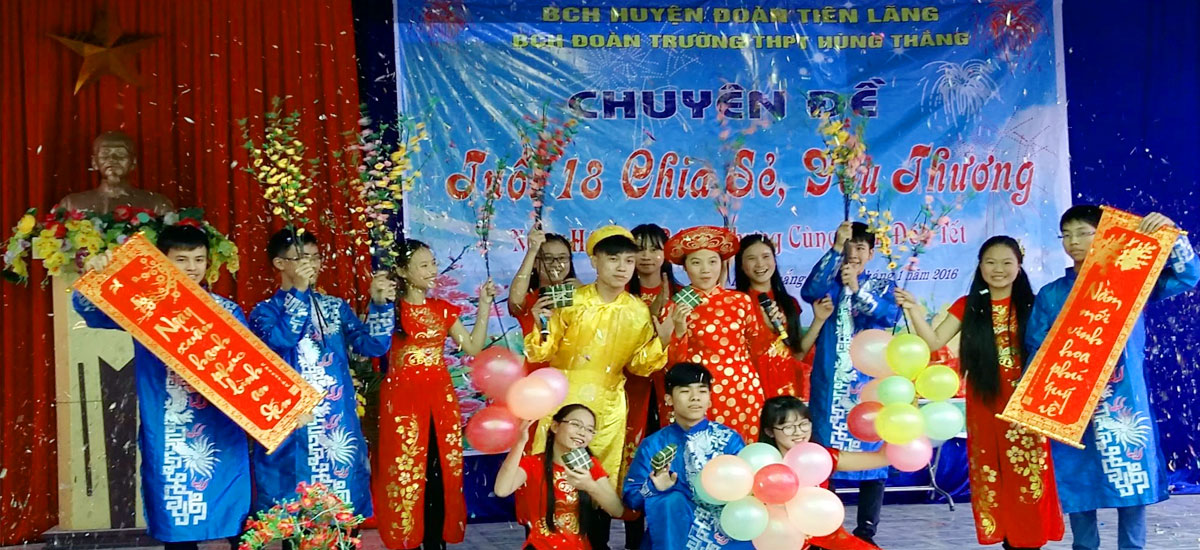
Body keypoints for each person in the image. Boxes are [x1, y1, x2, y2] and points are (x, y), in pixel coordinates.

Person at [1025, 206, 1199, 550]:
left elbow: (1187, 276)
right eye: (1066, 235)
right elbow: (1036, 347)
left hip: (1123, 400)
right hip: (1070, 401)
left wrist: (1173, 234)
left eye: (1083, 233)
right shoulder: (1052, 294)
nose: (1073, 242)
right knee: (1077, 481)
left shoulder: (1131, 280)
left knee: (1131, 480)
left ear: (1104, 235)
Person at [72, 225, 248, 550]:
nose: (192, 267)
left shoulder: (227, 310)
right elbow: (92, 310)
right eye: (181, 259)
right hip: (170, 430)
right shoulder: (146, 306)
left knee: (232, 520)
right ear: (163, 262)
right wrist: (94, 275)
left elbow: (249, 368)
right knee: (177, 527)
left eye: (199, 259)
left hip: (221, 432)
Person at [896, 236, 1064, 549]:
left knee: (1027, 471)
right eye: (990, 262)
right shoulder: (968, 305)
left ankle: (1029, 540)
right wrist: (915, 310)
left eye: (1006, 263)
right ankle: (1007, 538)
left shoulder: (1034, 304)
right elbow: (933, 342)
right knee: (991, 470)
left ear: (1019, 266)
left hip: (1024, 403)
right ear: (980, 266)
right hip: (984, 401)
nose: (998, 269)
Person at [524, 225, 671, 548]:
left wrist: (662, 340)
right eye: (613, 259)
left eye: (628, 261)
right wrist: (541, 324)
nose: (622, 268)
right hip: (563, 400)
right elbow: (542, 352)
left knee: (598, 481)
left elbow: (639, 365)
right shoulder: (569, 300)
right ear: (594, 261)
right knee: (552, 475)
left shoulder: (637, 310)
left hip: (608, 406)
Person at [249, 229, 395, 518]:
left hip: (336, 420)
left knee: (342, 510)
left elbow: (373, 345)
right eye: (303, 258)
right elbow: (282, 339)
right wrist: (299, 292)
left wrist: (380, 306)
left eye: (316, 258)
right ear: (280, 263)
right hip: (294, 422)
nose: (312, 265)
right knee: (294, 511)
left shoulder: (334, 307)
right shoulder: (264, 312)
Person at [374, 239, 496, 549]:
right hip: (402, 403)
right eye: (424, 265)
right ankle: (408, 538)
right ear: (403, 271)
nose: (432, 270)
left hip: (440, 400)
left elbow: (473, 347)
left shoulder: (441, 309)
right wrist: (378, 303)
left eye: (433, 263)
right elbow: (370, 347)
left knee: (440, 468)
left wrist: (483, 306)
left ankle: (435, 539)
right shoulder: (390, 309)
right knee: (406, 469)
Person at [799, 221, 898, 545]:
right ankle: (825, 527)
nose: (853, 252)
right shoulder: (829, 283)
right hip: (830, 386)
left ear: (871, 253)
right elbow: (809, 291)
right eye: (848, 245)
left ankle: (867, 531)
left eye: (860, 247)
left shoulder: (881, 284)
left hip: (867, 384)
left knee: (874, 452)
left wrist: (857, 288)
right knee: (826, 453)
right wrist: (834, 250)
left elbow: (888, 316)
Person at [661, 225, 784, 441]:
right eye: (696, 263)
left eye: (712, 262)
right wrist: (679, 331)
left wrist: (770, 327)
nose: (705, 270)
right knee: (701, 448)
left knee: (742, 448)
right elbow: (671, 366)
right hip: (699, 392)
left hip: (742, 387)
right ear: (685, 268)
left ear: (722, 264)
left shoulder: (741, 301)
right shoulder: (674, 307)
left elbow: (759, 348)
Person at [623, 362, 749, 550]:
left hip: (721, 531)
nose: (695, 397)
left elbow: (746, 488)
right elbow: (631, 498)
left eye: (702, 391)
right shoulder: (653, 444)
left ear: (709, 399)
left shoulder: (729, 439)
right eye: (685, 391)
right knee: (670, 501)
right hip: (674, 532)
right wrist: (654, 487)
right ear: (668, 399)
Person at [758, 395, 889, 550]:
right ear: (770, 431)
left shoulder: (823, 457)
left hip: (828, 538)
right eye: (788, 427)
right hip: (785, 541)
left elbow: (882, 458)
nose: (798, 432)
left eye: (803, 424)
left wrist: (899, 425)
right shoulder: (761, 465)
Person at [621, 224, 680, 550]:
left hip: (670, 394)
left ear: (666, 254)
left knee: (672, 463)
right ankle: (632, 541)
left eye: (654, 249)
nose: (646, 256)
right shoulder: (620, 297)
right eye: (638, 249)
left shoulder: (682, 295)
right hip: (632, 394)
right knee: (634, 465)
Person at [495, 404, 626, 550]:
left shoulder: (590, 465)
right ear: (555, 426)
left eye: (589, 430)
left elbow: (617, 510)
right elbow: (502, 490)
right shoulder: (533, 464)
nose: (582, 433)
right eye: (576, 424)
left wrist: (591, 486)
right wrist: (519, 443)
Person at [734, 233, 832, 400]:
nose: (760, 264)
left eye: (766, 256)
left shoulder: (789, 303)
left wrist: (819, 320)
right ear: (742, 265)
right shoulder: (736, 303)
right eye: (751, 258)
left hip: (788, 388)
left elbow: (798, 354)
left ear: (774, 260)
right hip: (752, 389)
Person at [509, 226, 581, 364]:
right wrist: (533, 250)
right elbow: (515, 301)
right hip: (537, 374)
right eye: (548, 258)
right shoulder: (530, 299)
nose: (556, 264)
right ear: (535, 263)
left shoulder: (583, 294)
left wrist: (584, 294)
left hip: (574, 373)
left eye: (562, 258)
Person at [57, 131, 174, 214]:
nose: (112, 159)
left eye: (121, 154)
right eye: (105, 154)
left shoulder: (156, 204)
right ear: (94, 162)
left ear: (133, 162)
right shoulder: (71, 204)